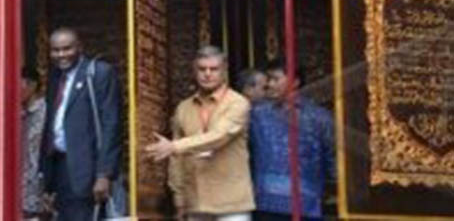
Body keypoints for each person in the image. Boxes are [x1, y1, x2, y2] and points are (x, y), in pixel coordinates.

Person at [146, 45, 254, 221]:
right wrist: (178, 197)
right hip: (196, 200)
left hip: (231, 201)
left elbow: (219, 135)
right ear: (194, 71)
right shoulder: (184, 108)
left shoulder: (238, 103)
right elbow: (176, 161)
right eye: (202, 69)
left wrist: (174, 146)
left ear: (224, 71)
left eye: (214, 69)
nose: (208, 74)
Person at [40, 27, 121, 221]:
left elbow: (111, 125)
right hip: (59, 167)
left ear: (80, 48)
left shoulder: (98, 73)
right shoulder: (55, 77)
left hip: (87, 170)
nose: (61, 55)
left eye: (67, 49)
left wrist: (104, 174)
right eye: (55, 50)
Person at [249, 58, 335, 221]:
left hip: (306, 203)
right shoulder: (257, 114)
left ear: (295, 82)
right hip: (266, 202)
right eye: (268, 79)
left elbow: (333, 156)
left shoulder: (319, 117)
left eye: (275, 79)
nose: (270, 84)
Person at [21, 66, 47, 220]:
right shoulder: (18, 113)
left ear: (32, 85)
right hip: (21, 189)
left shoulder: (46, 111)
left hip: (40, 186)